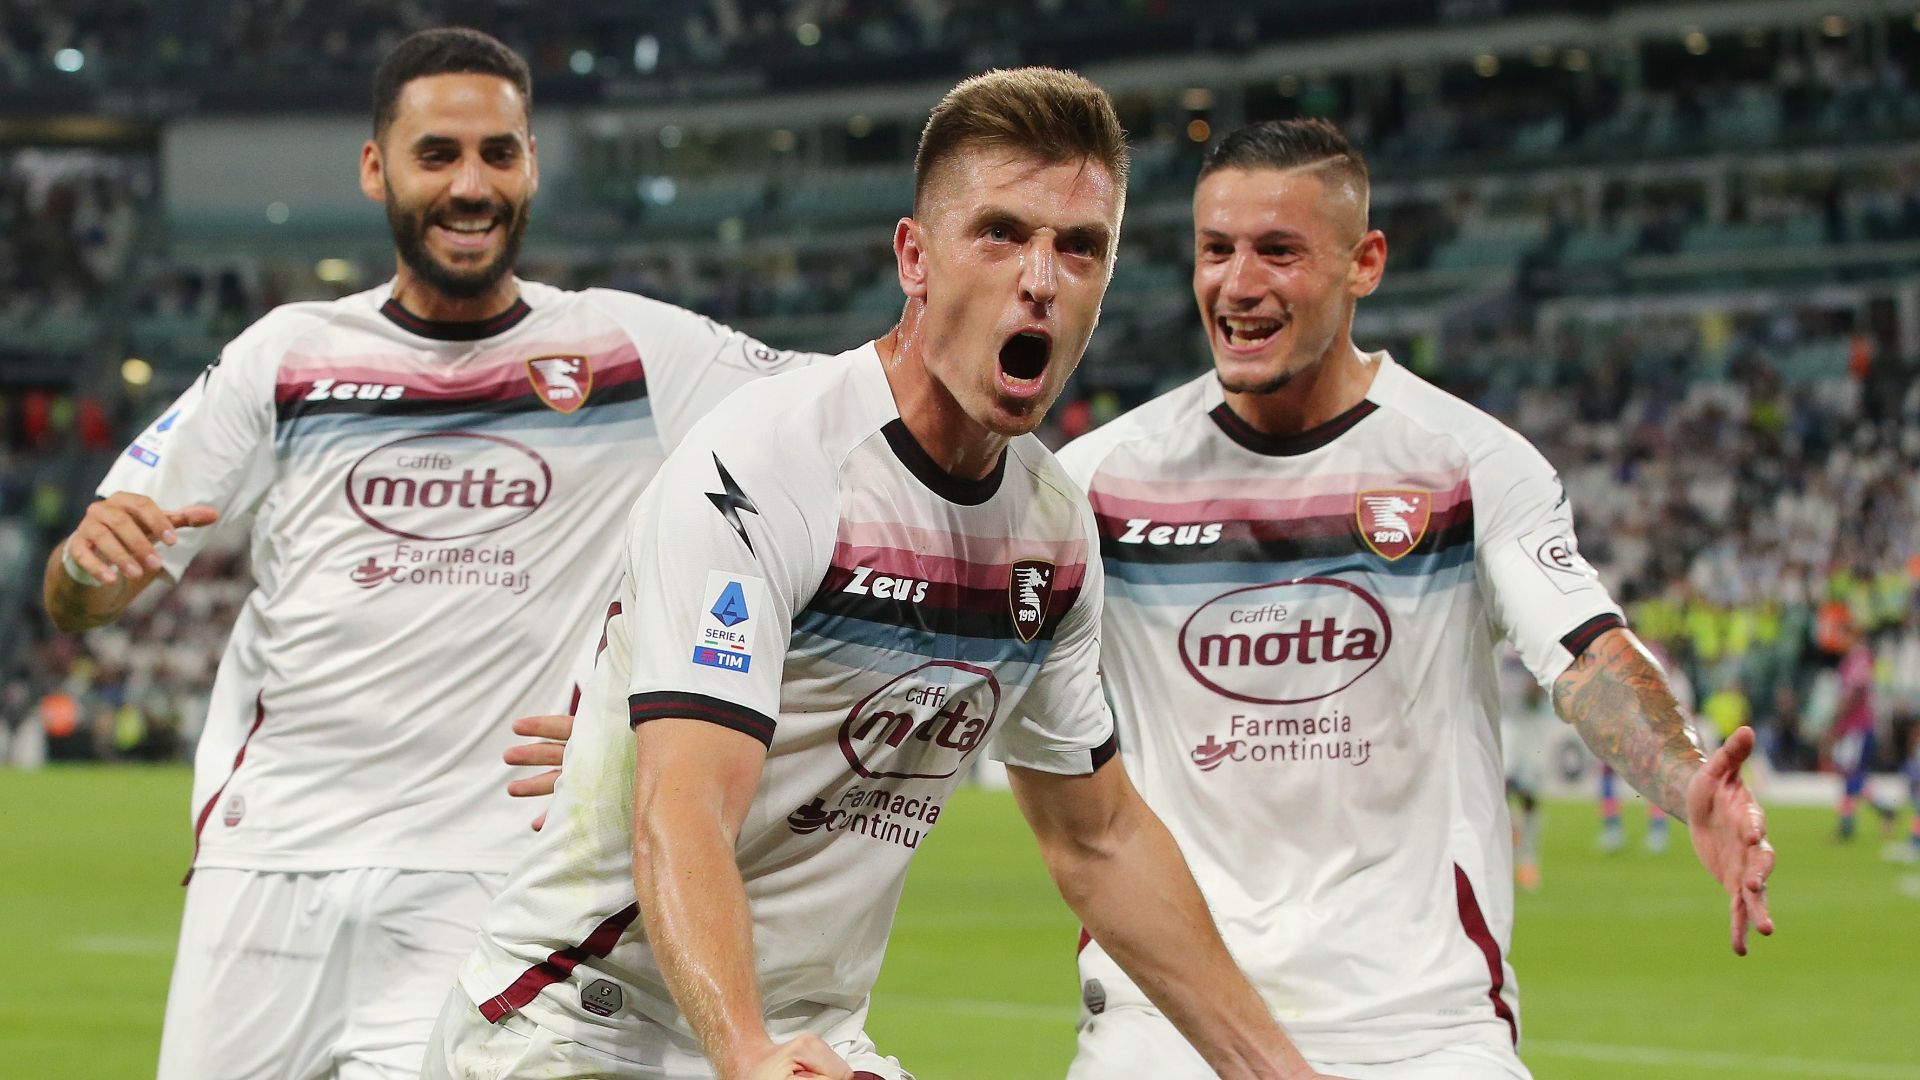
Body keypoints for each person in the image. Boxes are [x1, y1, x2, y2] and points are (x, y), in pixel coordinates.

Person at [430, 68, 1346, 1080]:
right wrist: (745, 1054)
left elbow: (1101, 842)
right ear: (914, 256)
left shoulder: (1051, 530)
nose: (1041, 277)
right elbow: (683, 806)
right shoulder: (767, 464)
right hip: (581, 1022)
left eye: (1079, 247)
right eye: (1001, 233)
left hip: (813, 1039)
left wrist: (1283, 1072)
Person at [44, 28, 815, 1080]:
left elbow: (850, 425)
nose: (472, 183)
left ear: (532, 163)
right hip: (265, 869)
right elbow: (81, 591)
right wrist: (90, 571)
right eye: (438, 154)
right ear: (377, 169)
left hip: (481, 882)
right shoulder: (289, 354)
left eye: (499, 153)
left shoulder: (630, 351)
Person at [1055, 119, 1775, 1078]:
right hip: (1166, 1024)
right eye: (1215, 250)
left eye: (1279, 251)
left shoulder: (1467, 461)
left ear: (1366, 264)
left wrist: (1685, 783)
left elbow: (1583, 654)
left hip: (1419, 1026)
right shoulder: (1098, 481)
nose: (1237, 284)